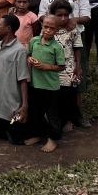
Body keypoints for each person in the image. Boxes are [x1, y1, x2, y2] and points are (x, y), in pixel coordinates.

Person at [0, 14, 29, 144]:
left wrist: (24, 105)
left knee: (16, 140)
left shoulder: (20, 50)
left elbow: (23, 79)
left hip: (10, 105)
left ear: (8, 28)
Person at [26, 14, 66, 153]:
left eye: (52, 28)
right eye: (46, 27)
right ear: (42, 26)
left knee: (52, 114)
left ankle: (53, 139)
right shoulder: (34, 41)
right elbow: (28, 54)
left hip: (50, 86)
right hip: (35, 84)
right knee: (35, 111)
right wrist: (30, 59)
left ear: (57, 31)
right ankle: (38, 134)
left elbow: (61, 66)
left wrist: (46, 67)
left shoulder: (56, 47)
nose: (48, 30)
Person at [49, 0, 85, 130]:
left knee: (69, 94)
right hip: (52, 68)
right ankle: (57, 121)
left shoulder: (72, 29)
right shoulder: (48, 29)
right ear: (53, 15)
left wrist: (78, 66)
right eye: (59, 15)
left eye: (66, 15)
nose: (63, 18)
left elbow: (77, 47)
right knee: (55, 96)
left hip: (69, 67)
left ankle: (69, 119)